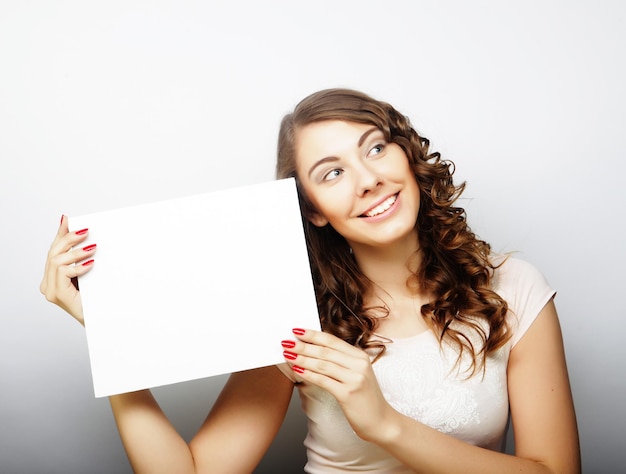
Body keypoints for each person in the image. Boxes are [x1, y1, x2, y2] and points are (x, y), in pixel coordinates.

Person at [40, 88, 580, 473]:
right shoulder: (297, 315)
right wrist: (110, 338)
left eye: (375, 148)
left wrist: (383, 423)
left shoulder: (512, 288)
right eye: (332, 173)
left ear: (408, 157)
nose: (369, 180)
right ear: (315, 210)